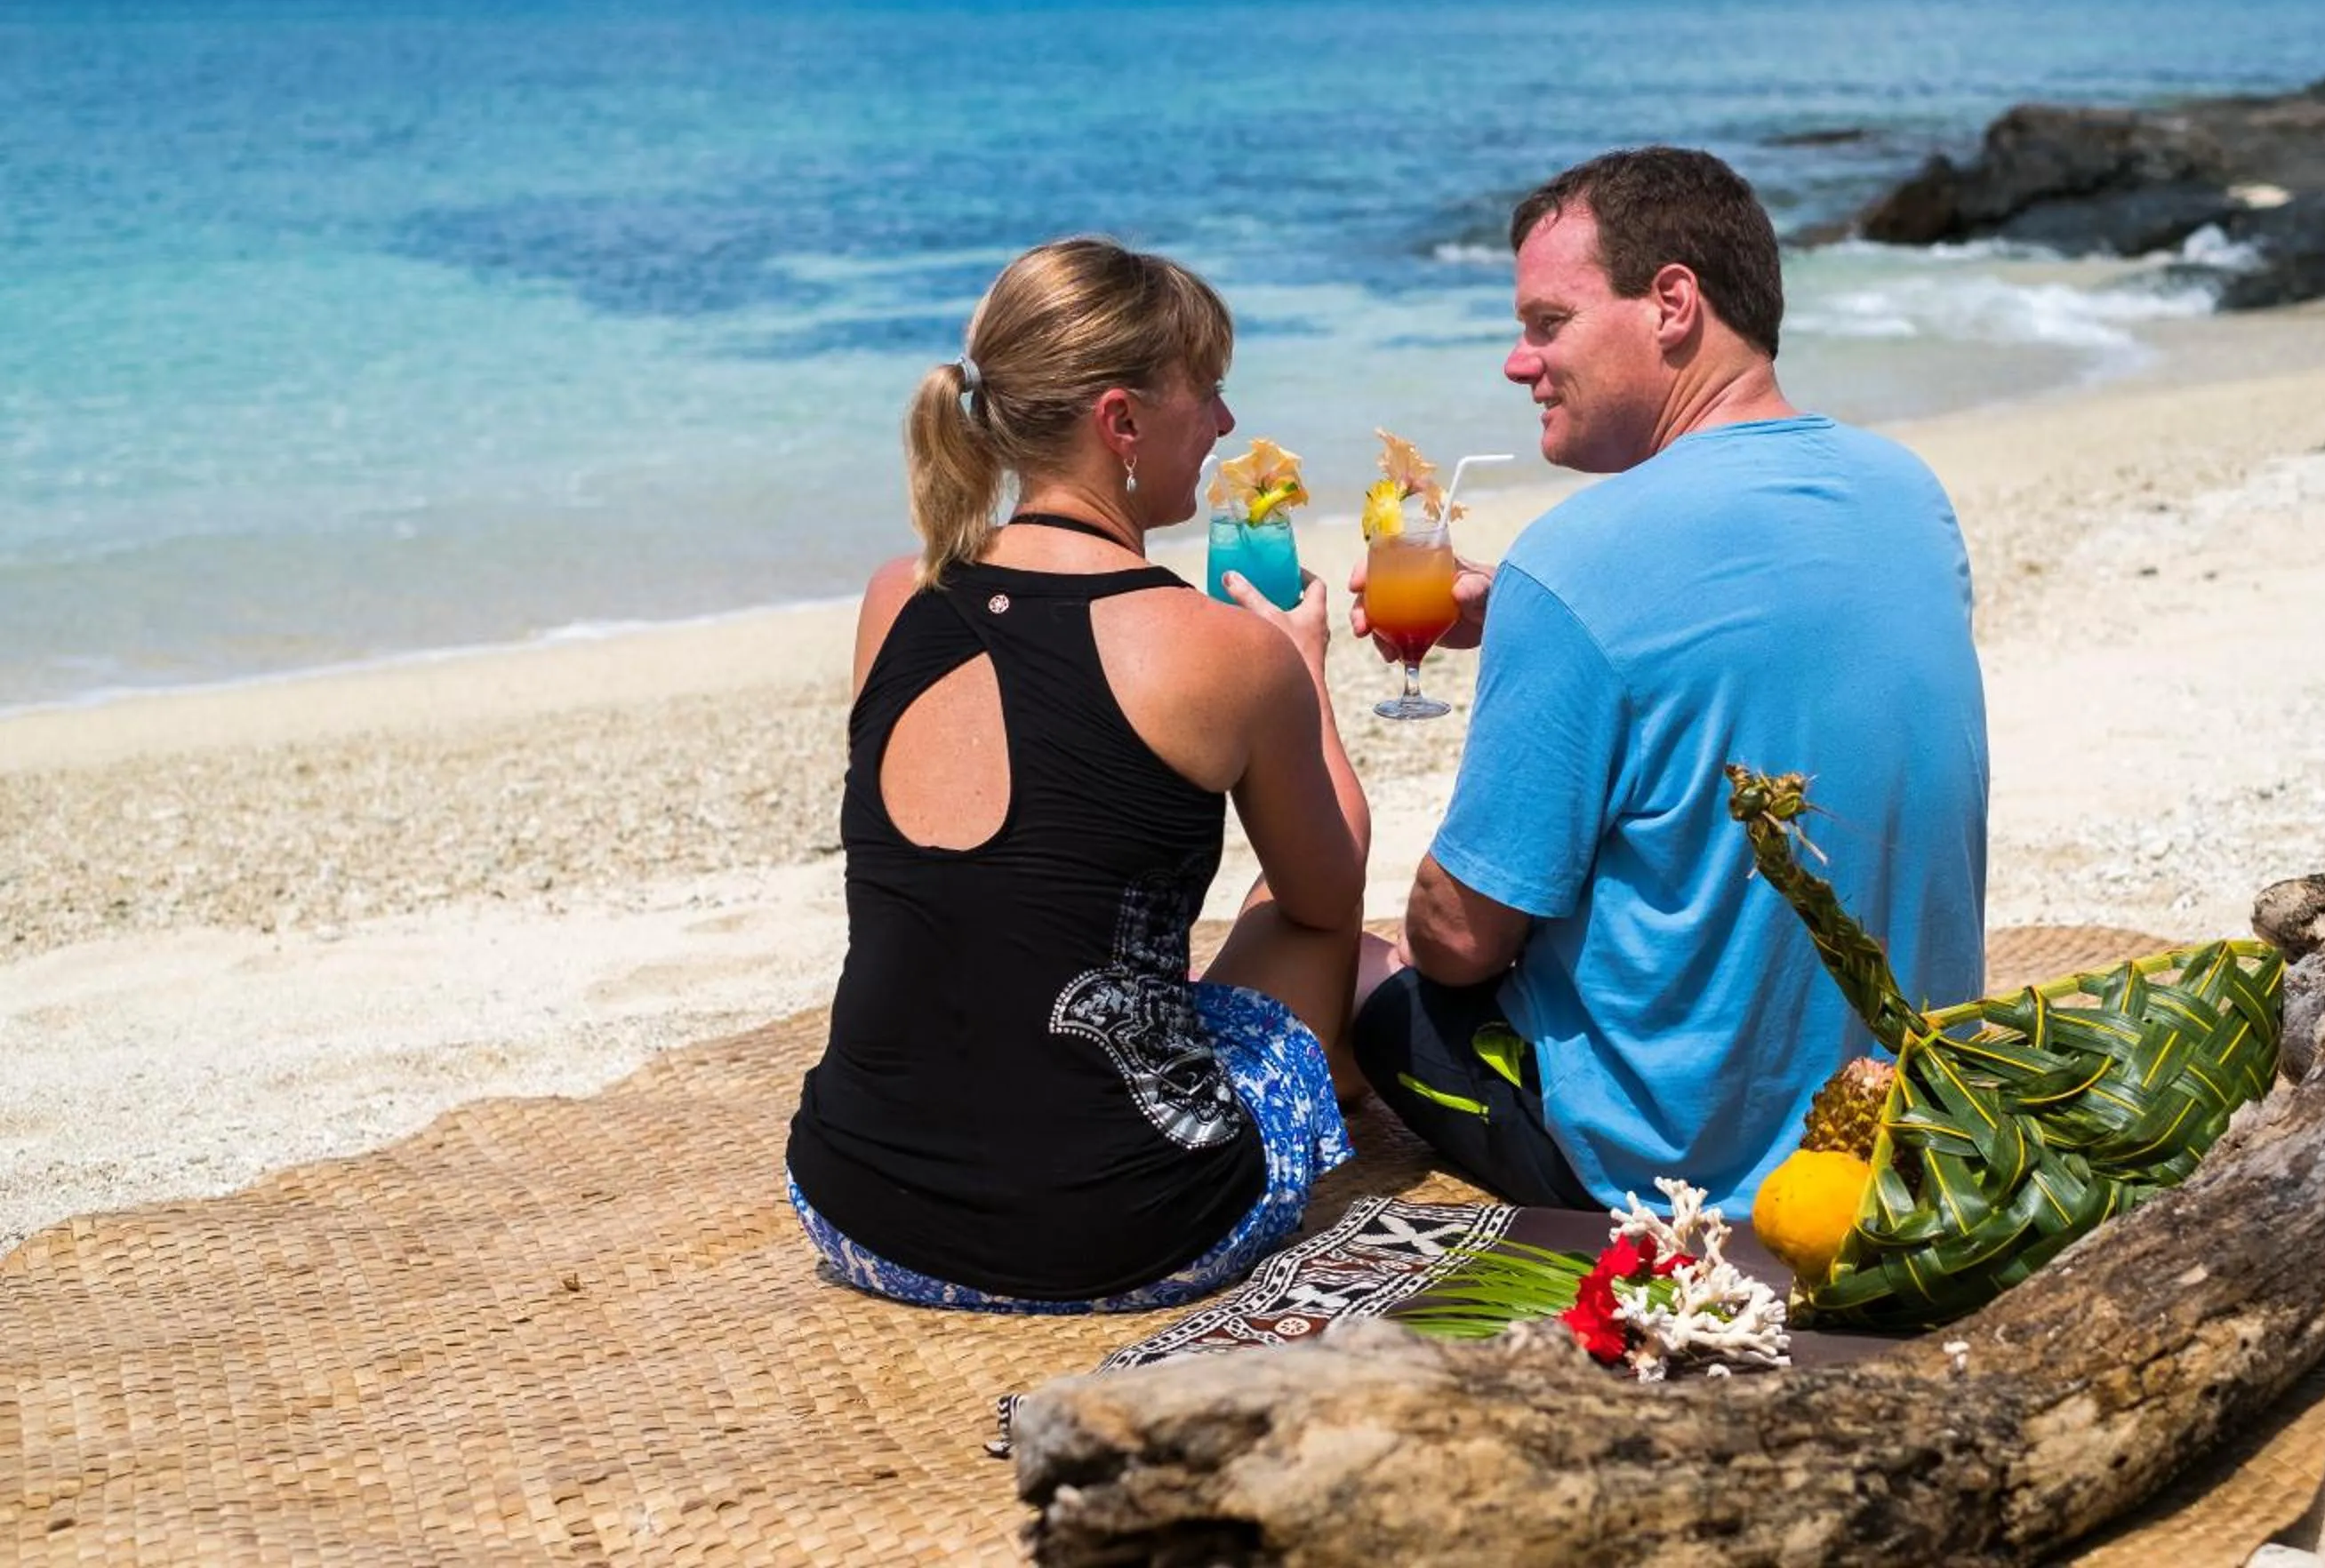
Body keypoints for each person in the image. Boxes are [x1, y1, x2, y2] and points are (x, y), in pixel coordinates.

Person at [1351, 147, 1989, 1219]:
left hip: (1681, 1170)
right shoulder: (1906, 494)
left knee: (1346, 956)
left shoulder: (1581, 558)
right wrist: (1527, 617)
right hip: (1907, 1122)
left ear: (1672, 303)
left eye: (1548, 322)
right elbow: (1763, 638)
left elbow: (1459, 944)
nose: (1517, 361)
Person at [786, 236, 1374, 1312]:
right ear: (1122, 421)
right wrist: (1305, 674)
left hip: (857, 1207)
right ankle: (1328, 1078)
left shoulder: (896, 596)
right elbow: (1330, 893)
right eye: (1209, 390)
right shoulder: (1225, 652)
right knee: (1300, 921)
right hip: (1131, 1231)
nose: (1226, 423)